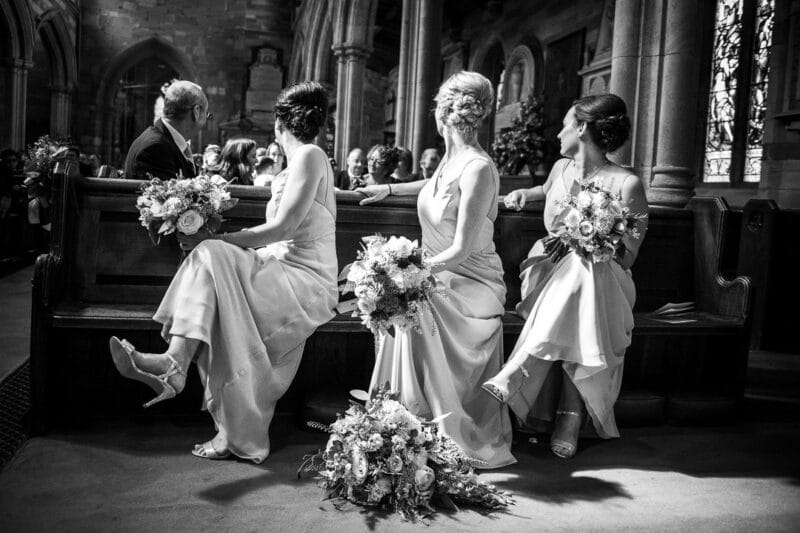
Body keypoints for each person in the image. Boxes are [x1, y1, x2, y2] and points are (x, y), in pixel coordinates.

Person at [108, 81, 337, 464]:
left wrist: (222, 238)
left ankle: (174, 365)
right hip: (281, 265)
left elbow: (283, 229)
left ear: (279, 126)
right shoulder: (300, 161)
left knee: (212, 252)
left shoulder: (311, 156)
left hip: (306, 277)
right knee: (213, 265)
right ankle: (176, 366)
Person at [356, 71, 516, 468]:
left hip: (472, 281)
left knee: (413, 301)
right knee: (408, 298)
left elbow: (461, 250)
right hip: (435, 272)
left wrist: (404, 272)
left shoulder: (479, 167)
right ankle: (398, 417)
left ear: (442, 114)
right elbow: (434, 185)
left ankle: (425, 422)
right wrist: (389, 189)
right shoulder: (451, 160)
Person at [481, 94, 649, 459]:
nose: (559, 133)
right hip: (545, 270)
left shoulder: (627, 184)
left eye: (565, 124)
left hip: (605, 279)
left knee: (585, 268)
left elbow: (629, 256)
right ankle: (568, 417)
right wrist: (524, 193)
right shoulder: (560, 169)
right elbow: (544, 191)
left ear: (584, 128)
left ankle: (523, 370)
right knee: (577, 274)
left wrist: (595, 237)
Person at [124, 80, 209, 179]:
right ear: (196, 112)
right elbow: (174, 194)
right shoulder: (156, 149)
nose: (206, 119)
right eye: (207, 114)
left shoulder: (165, 143)